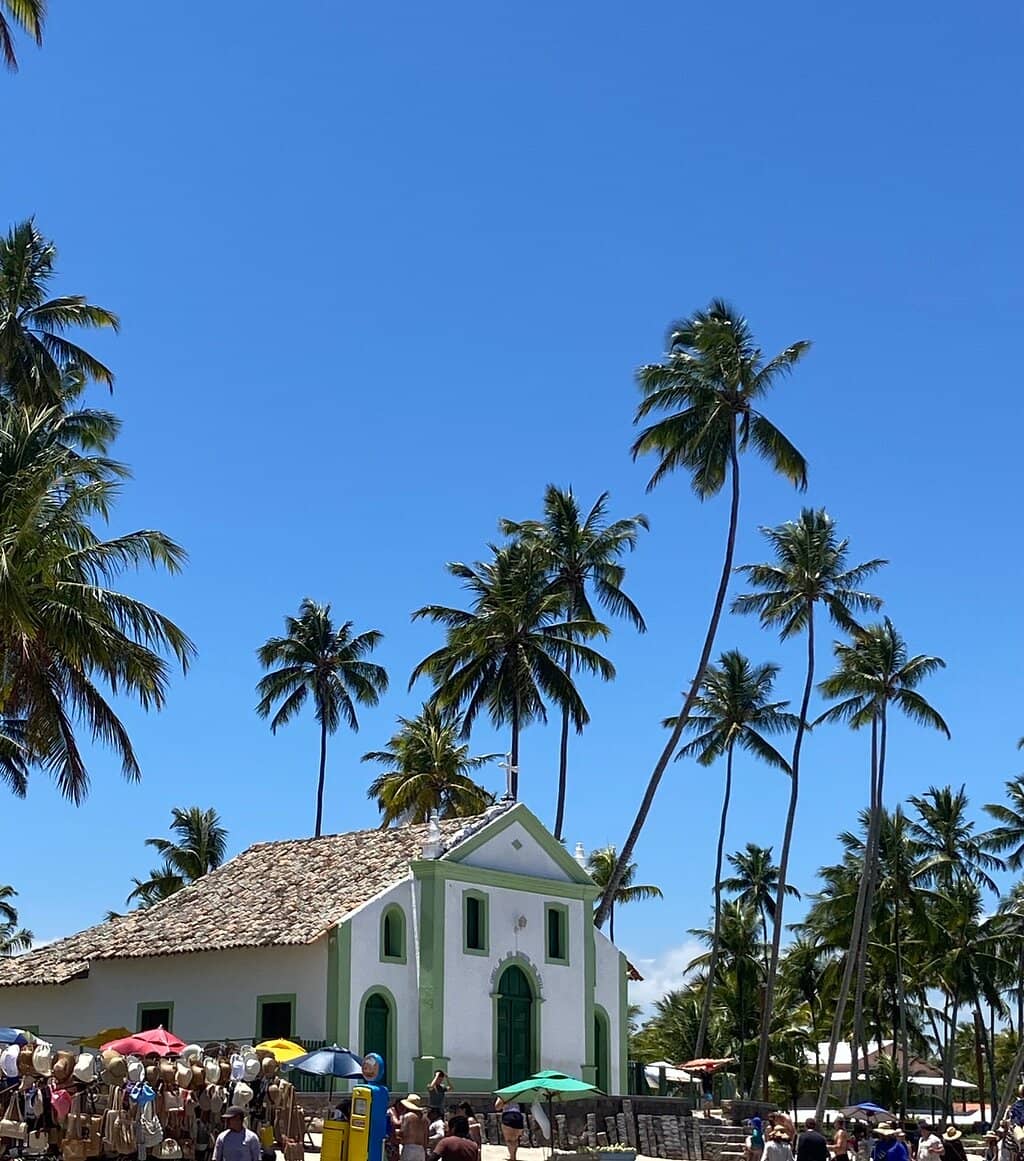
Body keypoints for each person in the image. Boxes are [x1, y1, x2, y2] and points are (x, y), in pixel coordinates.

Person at [495, 1096, 525, 1161]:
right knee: (515, 1139)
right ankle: (514, 1156)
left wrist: (504, 1102)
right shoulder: (517, 1093)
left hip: (508, 1115)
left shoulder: (503, 1094)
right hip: (518, 1115)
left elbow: (497, 1107)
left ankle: (512, 1158)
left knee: (509, 1140)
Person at [400, 1094, 429, 1161]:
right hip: (421, 1149)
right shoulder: (425, 1119)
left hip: (409, 1148)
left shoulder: (408, 1116)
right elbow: (426, 1136)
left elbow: (402, 1132)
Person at [386, 1097, 404, 1161]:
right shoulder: (392, 1110)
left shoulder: (399, 1113)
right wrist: (402, 1116)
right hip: (389, 1140)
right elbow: (396, 1123)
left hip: (394, 1141)